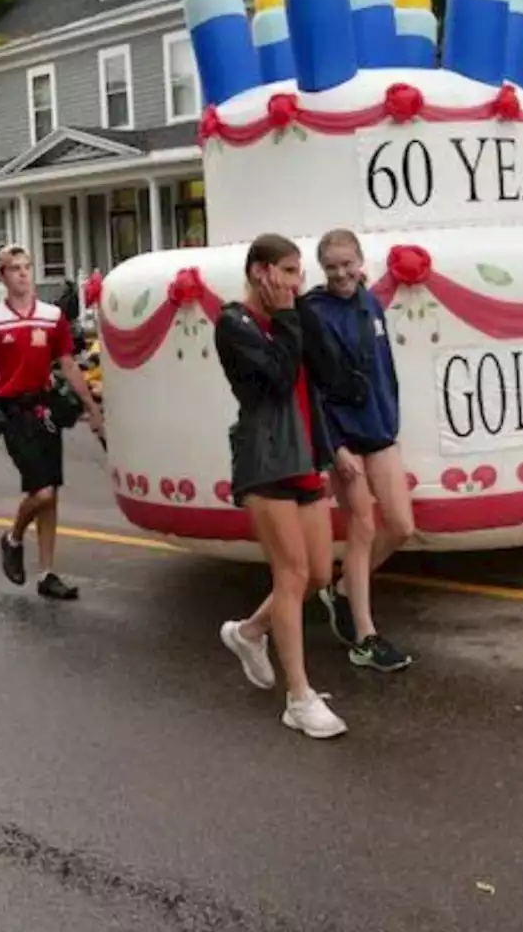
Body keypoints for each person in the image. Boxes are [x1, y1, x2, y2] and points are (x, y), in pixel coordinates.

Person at [213, 233, 352, 740]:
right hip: (266, 458)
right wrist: (289, 318)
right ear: (259, 272)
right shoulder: (234, 323)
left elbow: (330, 373)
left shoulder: (293, 316)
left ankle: (250, 633)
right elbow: (274, 377)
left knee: (317, 573)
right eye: (289, 271)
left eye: (299, 273)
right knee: (291, 574)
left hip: (304, 453)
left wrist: (299, 314)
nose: (298, 282)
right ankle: (299, 697)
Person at [0, 245, 105, 599]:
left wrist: (92, 408)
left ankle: (47, 573)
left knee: (50, 494)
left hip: (45, 408)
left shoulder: (52, 316)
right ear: (1, 277)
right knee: (41, 491)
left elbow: (68, 364)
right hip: (10, 411)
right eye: (14, 268)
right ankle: (13, 538)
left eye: (27, 267)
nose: (23, 274)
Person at [303, 228, 414, 672]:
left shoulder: (371, 302)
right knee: (363, 527)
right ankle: (364, 636)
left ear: (361, 260)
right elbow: (312, 386)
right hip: (344, 436)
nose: (341, 273)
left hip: (379, 428)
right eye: (332, 267)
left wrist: (391, 419)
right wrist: (335, 447)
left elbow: (384, 369)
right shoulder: (313, 311)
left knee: (401, 525)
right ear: (322, 269)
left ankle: (345, 589)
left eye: (348, 264)